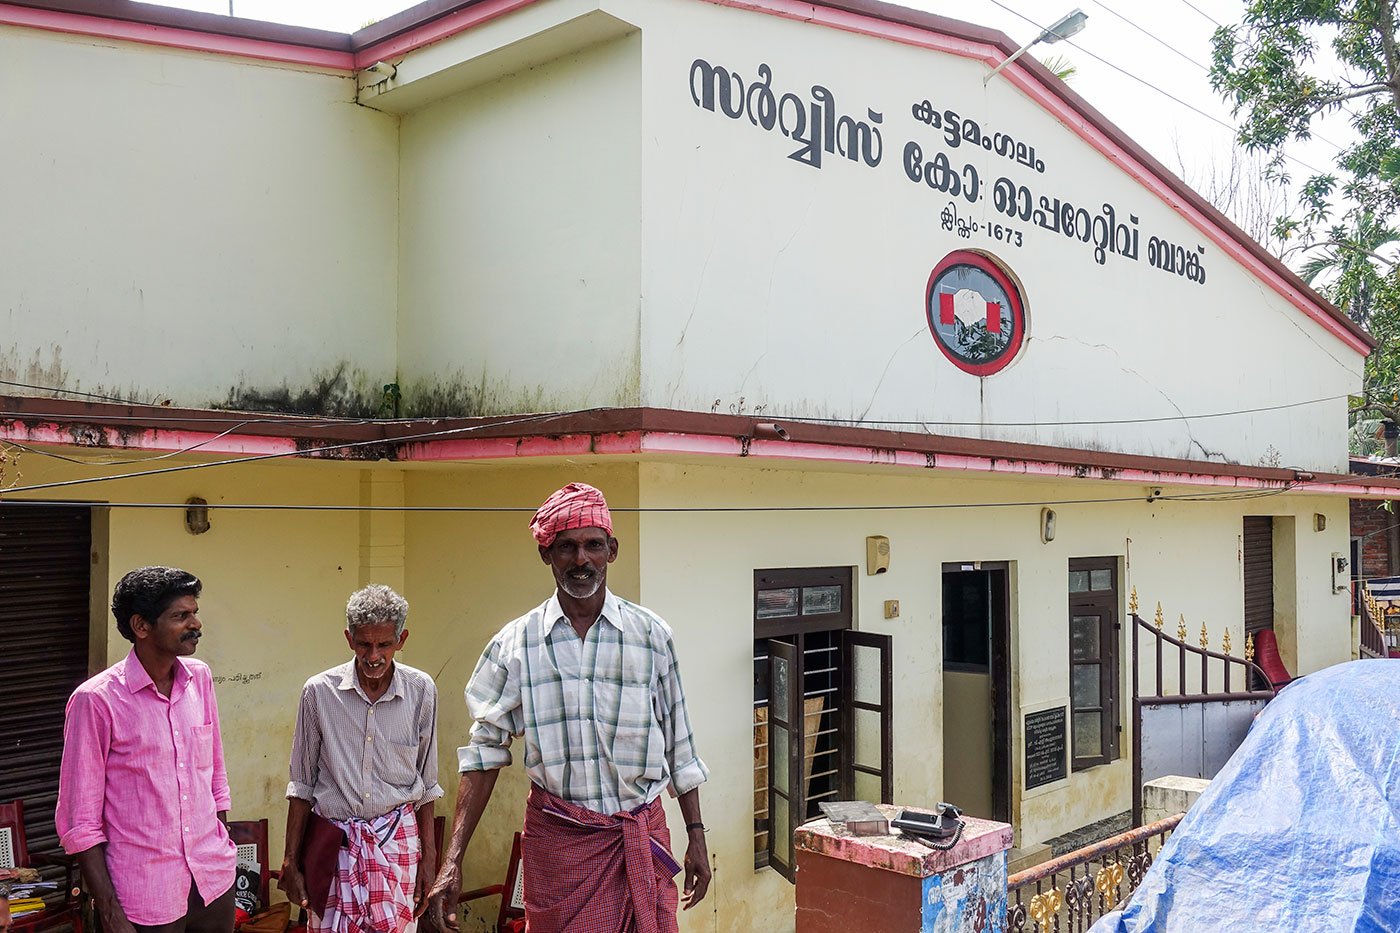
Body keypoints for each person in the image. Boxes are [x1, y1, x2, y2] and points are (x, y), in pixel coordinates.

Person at [426, 482, 711, 933]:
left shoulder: (652, 636)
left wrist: (697, 836)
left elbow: (680, 746)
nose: (581, 560)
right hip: (560, 851)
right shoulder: (514, 645)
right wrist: (453, 859)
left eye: (593, 545)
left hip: (639, 834)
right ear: (547, 555)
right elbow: (483, 756)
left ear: (611, 551)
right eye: (566, 547)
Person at [56, 567, 237, 933]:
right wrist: (109, 911)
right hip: (143, 896)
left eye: (194, 612)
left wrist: (219, 849)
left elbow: (215, 778)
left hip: (213, 882)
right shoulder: (96, 701)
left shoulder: (199, 678)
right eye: (181, 616)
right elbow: (80, 821)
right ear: (141, 626)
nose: (196, 623)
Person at [279, 585, 442, 933]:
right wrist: (291, 861)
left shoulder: (422, 690)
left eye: (384, 644)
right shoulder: (319, 693)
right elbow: (302, 784)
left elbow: (427, 786)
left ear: (402, 639)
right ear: (348, 638)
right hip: (333, 844)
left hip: (396, 845)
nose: (373, 655)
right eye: (364, 643)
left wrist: (429, 860)